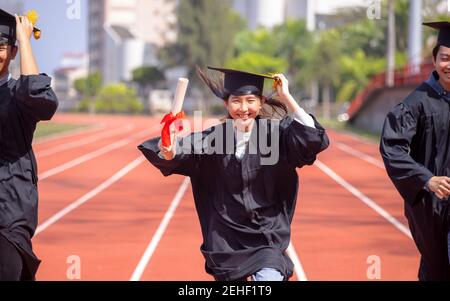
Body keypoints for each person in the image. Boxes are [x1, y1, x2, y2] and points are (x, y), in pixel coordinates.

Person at [138, 66, 329, 281]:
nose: (243, 108)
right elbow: (179, 153)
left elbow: (312, 138)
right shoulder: (212, 140)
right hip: (226, 241)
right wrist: (170, 150)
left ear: (261, 102)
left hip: (266, 237)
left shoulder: (276, 136)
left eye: (250, 101)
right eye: (236, 101)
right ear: (226, 104)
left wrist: (286, 97)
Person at [380, 22, 450, 281]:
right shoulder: (415, 104)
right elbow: (392, 148)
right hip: (432, 205)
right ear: (434, 60)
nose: (449, 65)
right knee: (436, 269)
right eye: (445, 58)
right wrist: (426, 179)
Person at [0, 9, 58, 280]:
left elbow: (41, 100)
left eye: (0, 46)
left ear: (12, 52)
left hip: (8, 209)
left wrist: (24, 40)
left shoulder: (18, 94)